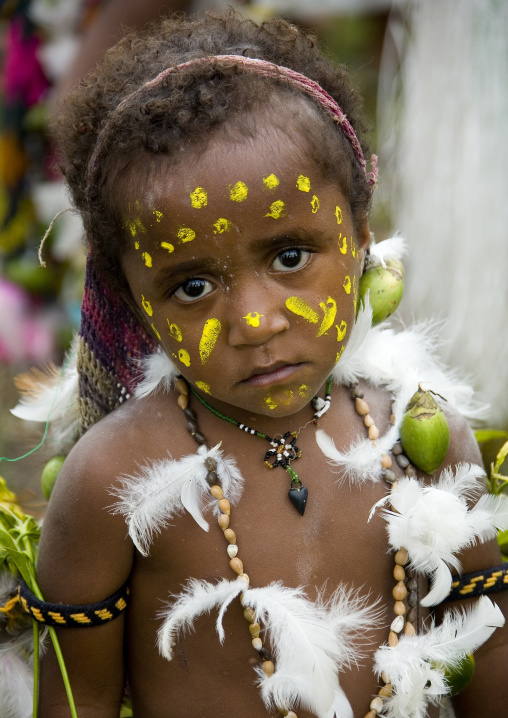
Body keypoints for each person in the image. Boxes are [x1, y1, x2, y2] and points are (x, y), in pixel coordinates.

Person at [17, 9, 508, 718]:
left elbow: (488, 648)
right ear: (134, 301)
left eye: (289, 256)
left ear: (362, 235)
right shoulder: (111, 481)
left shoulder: (420, 439)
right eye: (192, 286)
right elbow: (75, 701)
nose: (253, 321)